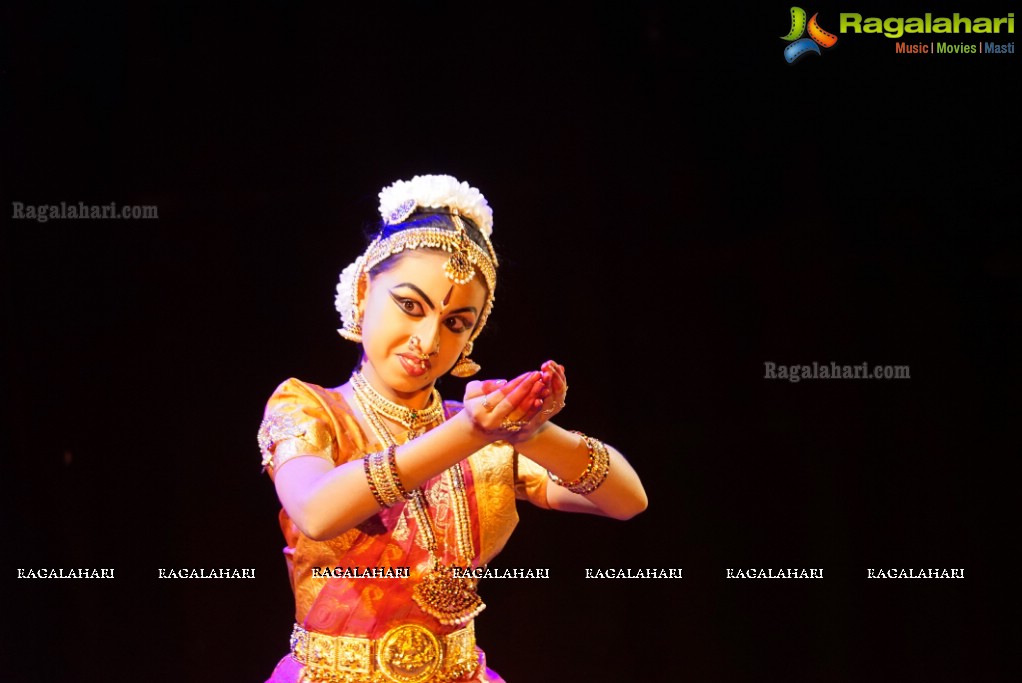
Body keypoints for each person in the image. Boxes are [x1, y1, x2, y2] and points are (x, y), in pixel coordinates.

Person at [258, 174, 647, 683]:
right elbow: (316, 511)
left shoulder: (484, 437)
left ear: (470, 336)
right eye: (410, 306)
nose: (427, 338)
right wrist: (470, 432)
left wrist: (531, 433)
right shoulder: (311, 408)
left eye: (456, 322)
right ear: (362, 291)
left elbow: (627, 499)